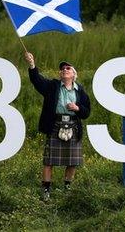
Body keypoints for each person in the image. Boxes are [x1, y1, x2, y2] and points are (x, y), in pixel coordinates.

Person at [24, 52, 91, 201]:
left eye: (68, 68)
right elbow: (37, 80)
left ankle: (67, 189)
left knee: (73, 161)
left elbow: (87, 112)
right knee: (49, 161)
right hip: (55, 125)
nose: (64, 70)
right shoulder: (52, 86)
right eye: (62, 69)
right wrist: (32, 65)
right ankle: (46, 191)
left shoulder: (80, 92)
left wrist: (77, 108)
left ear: (74, 74)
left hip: (73, 126)